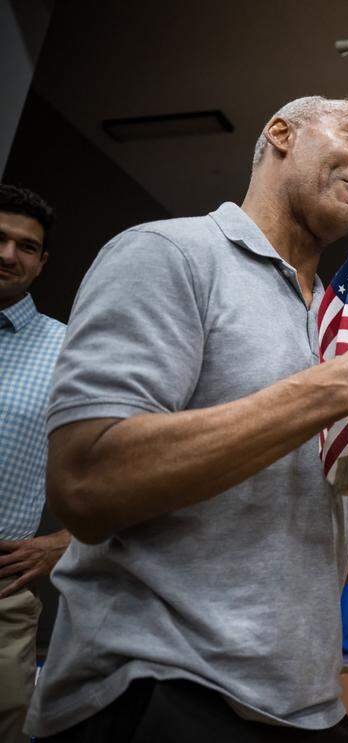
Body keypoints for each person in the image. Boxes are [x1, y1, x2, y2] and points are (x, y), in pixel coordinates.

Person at [24, 96, 348, 742]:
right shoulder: (171, 254)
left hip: (313, 712)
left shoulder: (338, 321)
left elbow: (328, 554)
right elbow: (85, 481)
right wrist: (341, 386)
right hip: (158, 696)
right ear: (280, 134)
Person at [0, 185, 70, 743]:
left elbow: (122, 457)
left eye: (26, 247)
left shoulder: (68, 349)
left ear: (42, 262)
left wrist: (68, 541)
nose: (9, 255)